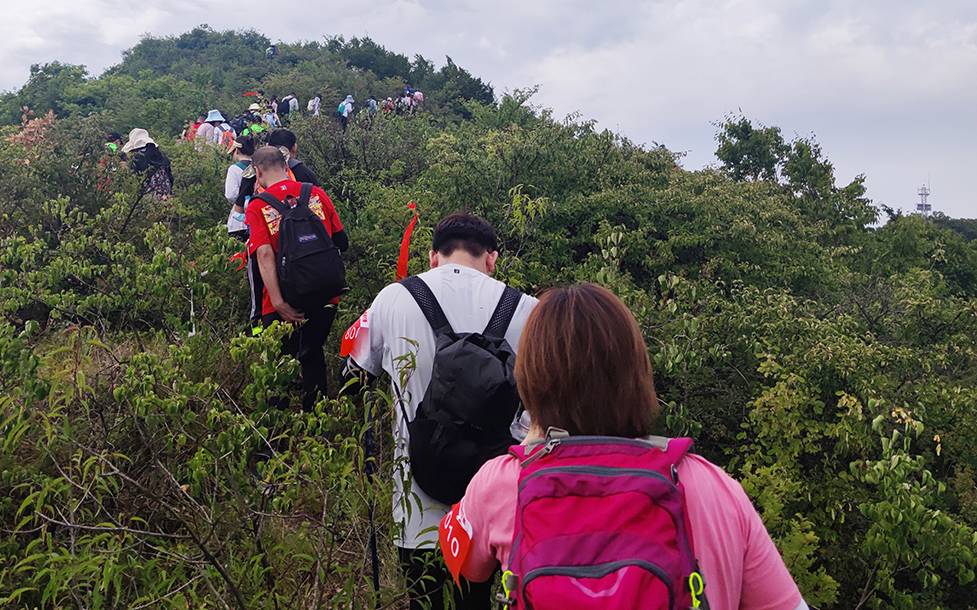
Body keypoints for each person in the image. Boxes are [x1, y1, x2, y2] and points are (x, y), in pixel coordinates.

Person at [448, 283, 809, 610]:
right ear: (638, 371)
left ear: (529, 381)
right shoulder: (714, 487)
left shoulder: (501, 483)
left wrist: (531, 441)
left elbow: (463, 567)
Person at [342, 214, 538, 610]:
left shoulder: (394, 297)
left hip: (418, 501)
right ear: (492, 259)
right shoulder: (529, 310)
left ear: (433, 257)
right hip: (502, 507)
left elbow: (354, 375)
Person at [246, 146, 349, 410]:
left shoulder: (258, 206)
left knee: (279, 364)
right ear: (286, 165)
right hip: (327, 295)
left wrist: (280, 303)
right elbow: (341, 241)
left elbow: (265, 256)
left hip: (281, 301)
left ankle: (277, 438)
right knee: (312, 355)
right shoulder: (316, 194)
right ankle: (317, 426)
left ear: (257, 172)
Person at [122, 128, 172, 201]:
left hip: (147, 198)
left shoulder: (136, 159)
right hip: (166, 196)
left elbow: (132, 181)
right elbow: (170, 177)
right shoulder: (162, 156)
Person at [225, 135, 257, 239]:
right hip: (257, 214)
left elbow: (231, 195)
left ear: (237, 150)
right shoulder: (259, 167)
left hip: (239, 219)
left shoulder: (234, 169)